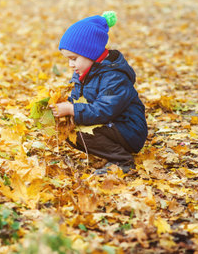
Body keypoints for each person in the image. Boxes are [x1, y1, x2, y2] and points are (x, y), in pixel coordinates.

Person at [50, 12, 147, 174]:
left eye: (74, 58)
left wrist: (72, 110)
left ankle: (122, 161)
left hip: (129, 130)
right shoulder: (85, 71)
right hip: (112, 126)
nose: (70, 65)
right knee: (69, 130)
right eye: (68, 59)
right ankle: (110, 152)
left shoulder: (114, 76)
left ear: (91, 53)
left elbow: (105, 110)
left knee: (81, 132)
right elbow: (77, 98)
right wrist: (63, 107)